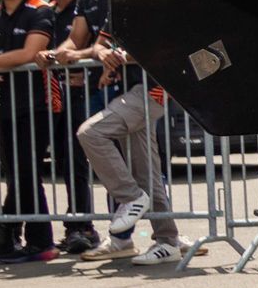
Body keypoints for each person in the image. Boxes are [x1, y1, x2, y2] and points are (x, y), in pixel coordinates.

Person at [75, 16, 188, 267]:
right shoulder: (119, 7)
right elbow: (99, 45)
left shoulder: (160, 8)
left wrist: (121, 56)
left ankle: (130, 197)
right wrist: (104, 55)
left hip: (153, 89)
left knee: (90, 133)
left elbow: (171, 48)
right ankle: (168, 241)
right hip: (130, 90)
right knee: (148, 173)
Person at [0, 0, 56, 263]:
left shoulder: (40, 10)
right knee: (16, 171)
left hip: (34, 103)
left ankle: (23, 233)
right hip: (0, 104)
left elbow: (29, 53)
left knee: (26, 171)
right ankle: (13, 234)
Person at [35, 0, 99, 257]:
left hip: (79, 95)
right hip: (50, 97)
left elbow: (90, 46)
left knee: (75, 163)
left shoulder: (82, 7)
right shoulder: (45, 11)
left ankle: (82, 228)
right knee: (60, 161)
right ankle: (69, 227)